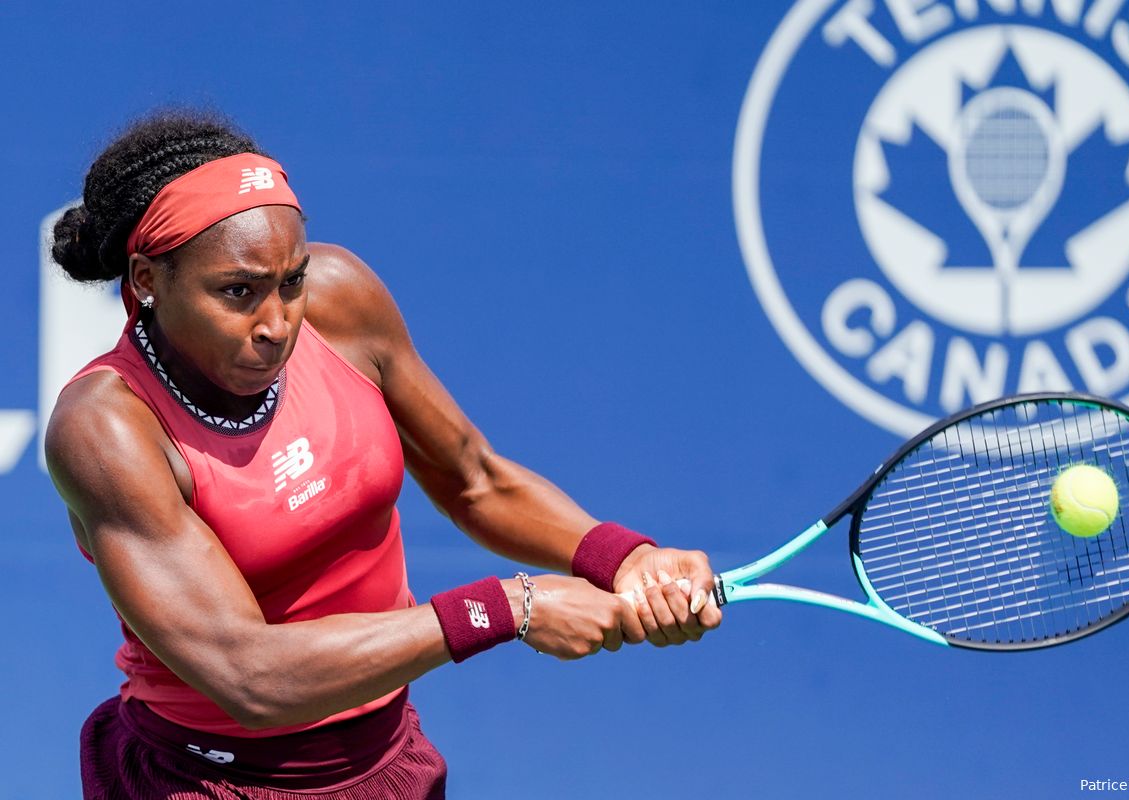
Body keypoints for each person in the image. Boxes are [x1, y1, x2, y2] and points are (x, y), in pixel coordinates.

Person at [46, 110, 722, 799]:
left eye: (291, 282)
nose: (277, 324)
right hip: (205, 782)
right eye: (237, 292)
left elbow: (476, 480)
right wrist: (512, 607)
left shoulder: (343, 300)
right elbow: (248, 673)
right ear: (148, 279)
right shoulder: (107, 428)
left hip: (389, 762)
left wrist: (624, 557)